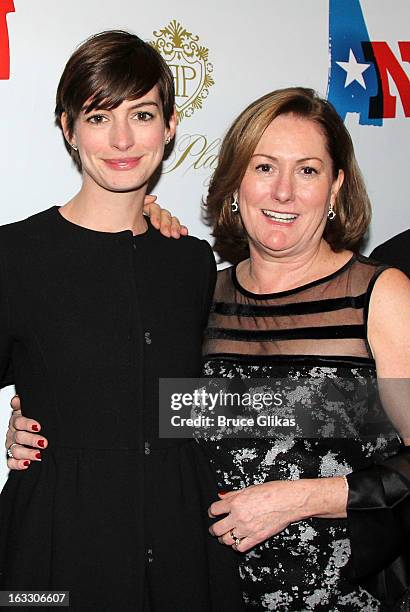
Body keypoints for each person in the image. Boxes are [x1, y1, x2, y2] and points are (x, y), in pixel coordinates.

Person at [7, 87, 410, 610]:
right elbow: (146, 407)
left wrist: (301, 498)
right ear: (236, 183)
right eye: (264, 167)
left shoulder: (377, 296)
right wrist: (41, 420)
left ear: (335, 186)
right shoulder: (197, 288)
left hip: (339, 593)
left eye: (308, 171)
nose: (283, 192)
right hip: (202, 583)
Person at [0, 30, 243, 612]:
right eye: (99, 115)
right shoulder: (15, 256)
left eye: (142, 113)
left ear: (171, 126)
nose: (123, 139)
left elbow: (184, 401)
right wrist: (21, 429)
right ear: (68, 128)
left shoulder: (191, 260)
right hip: (51, 553)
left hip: (181, 542)